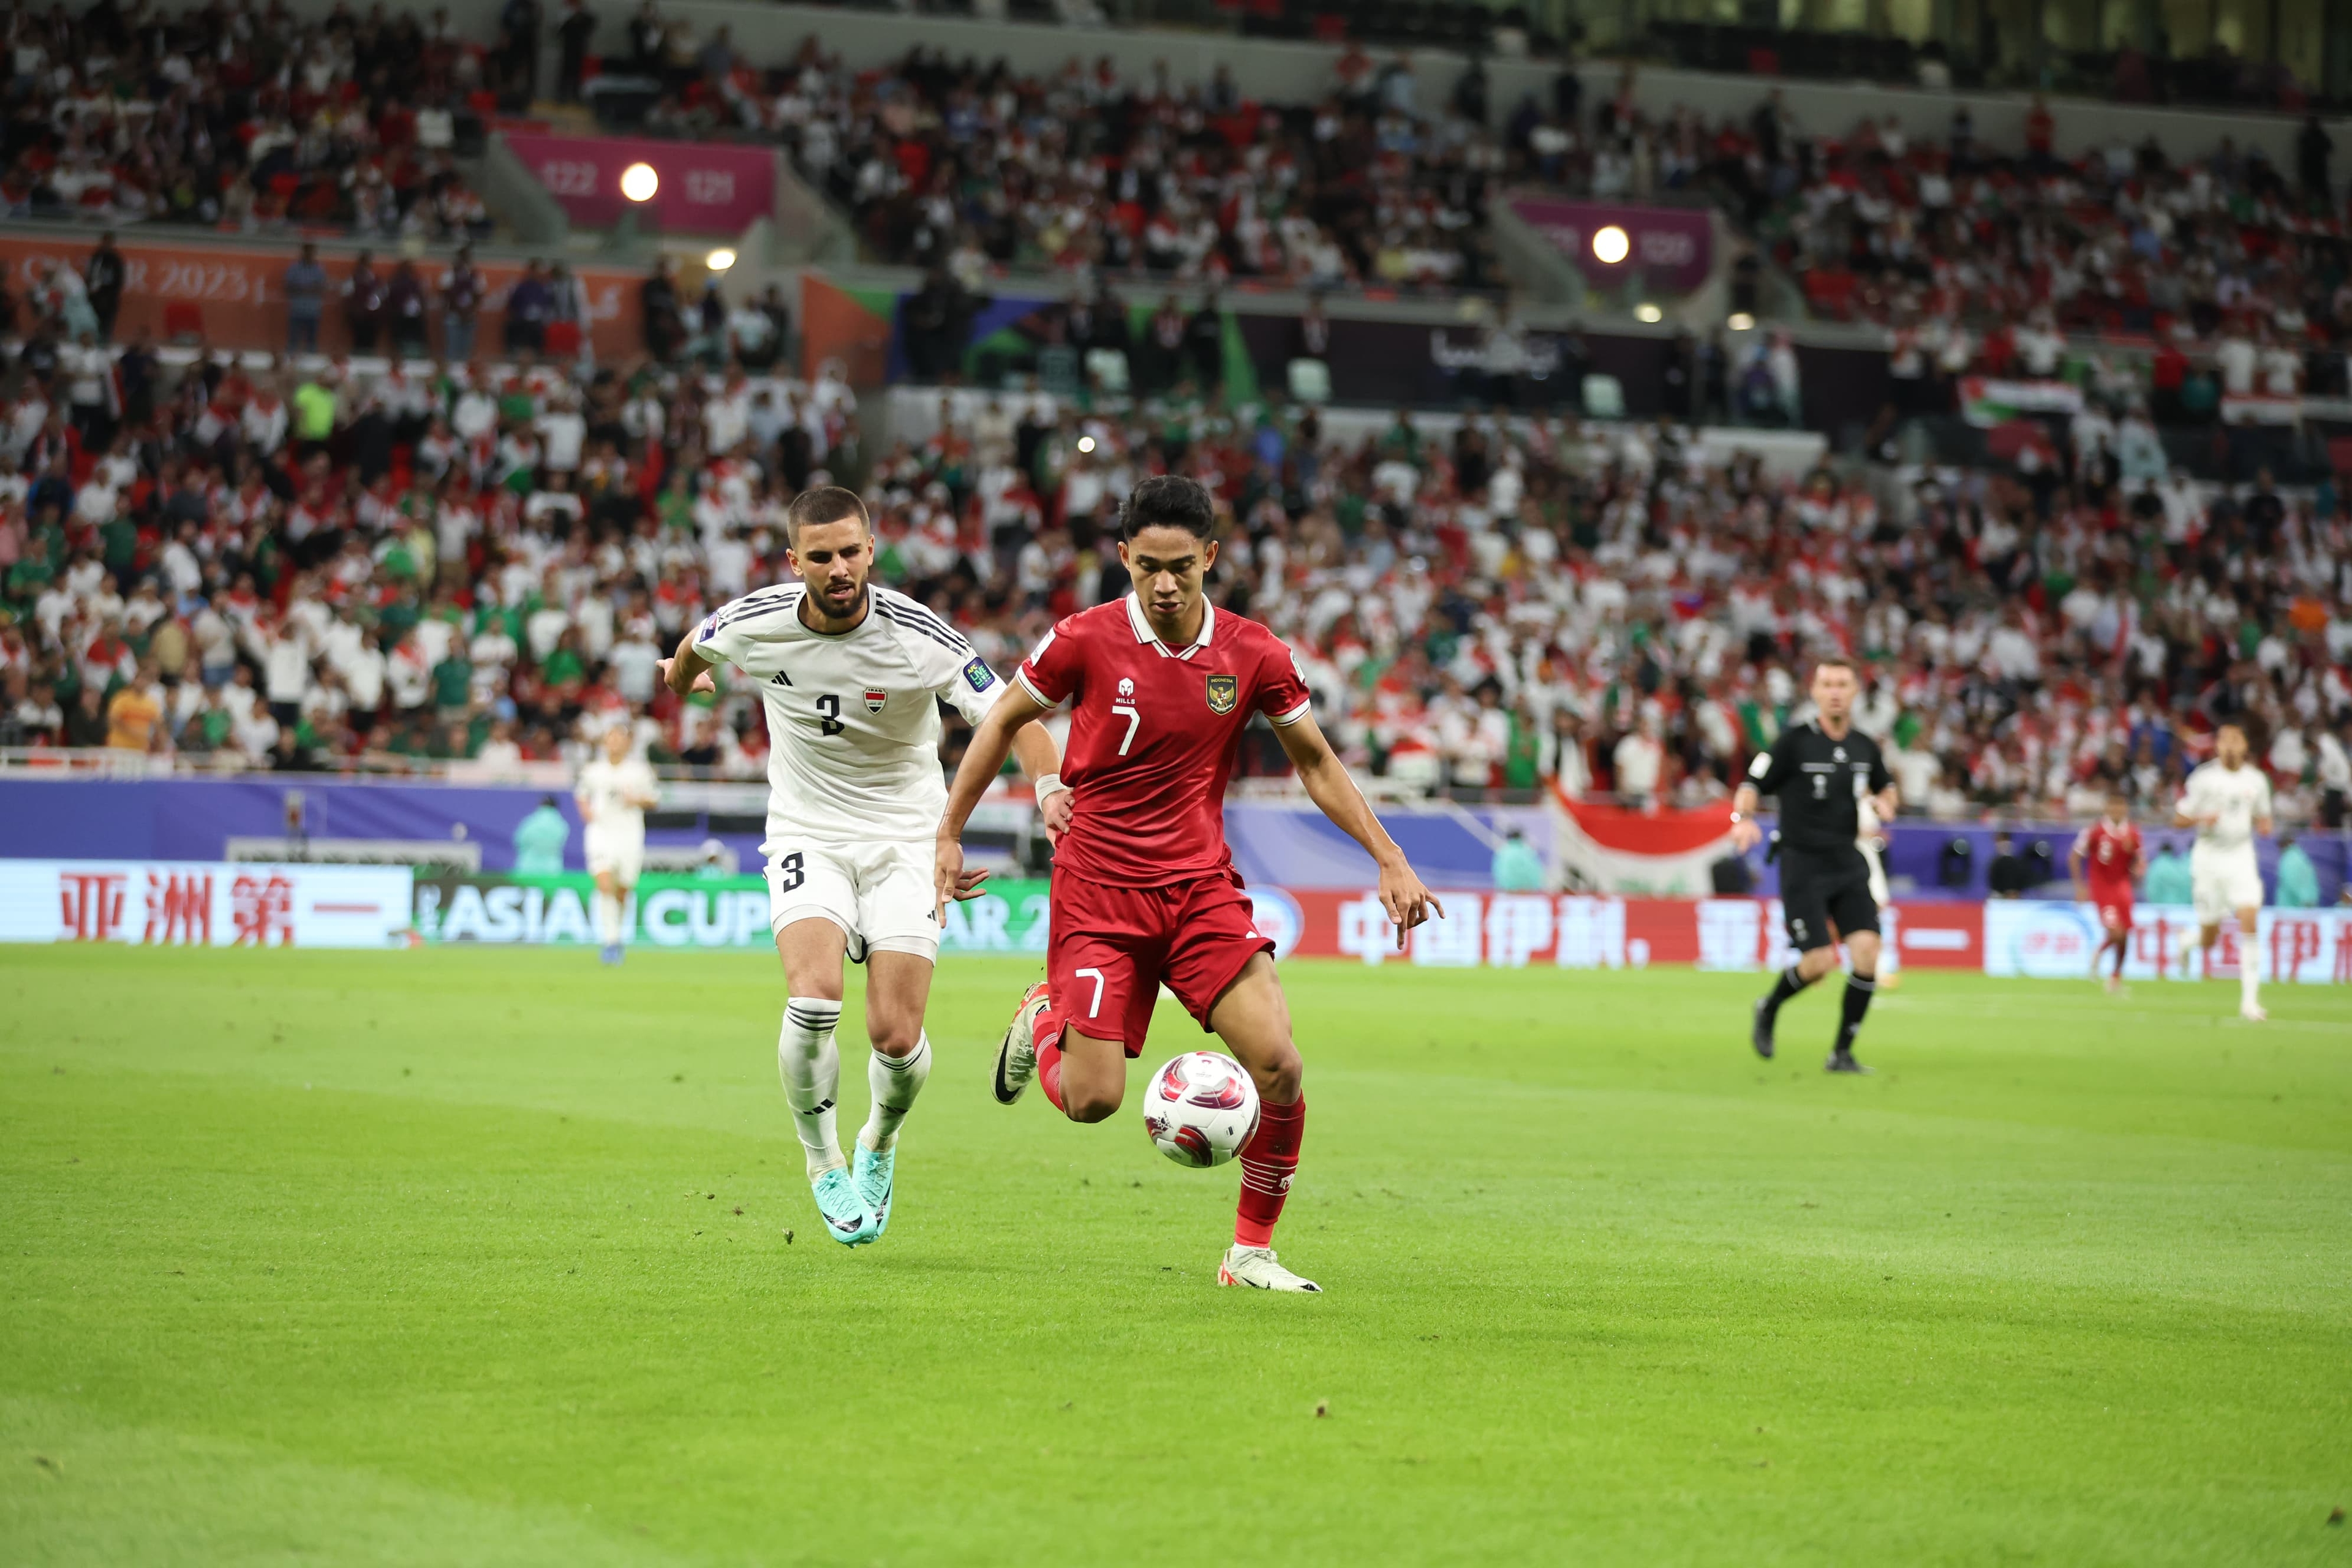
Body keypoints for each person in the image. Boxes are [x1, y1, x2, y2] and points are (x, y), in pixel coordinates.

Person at [937, 475, 1441, 1292]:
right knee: (1093, 1100)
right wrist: (951, 831)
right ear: (1123, 559)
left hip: (1200, 889)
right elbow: (1003, 721)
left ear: (1210, 556)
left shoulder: (1254, 654)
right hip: (1099, 891)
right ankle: (1045, 1015)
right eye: (1148, 568)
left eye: (1181, 567)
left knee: (1279, 1065)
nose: (1165, 585)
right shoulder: (1083, 639)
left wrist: (1389, 856)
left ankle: (1250, 1255)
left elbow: (1316, 761)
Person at [658, 486, 1068, 1250]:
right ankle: (823, 1160)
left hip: (908, 840)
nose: (839, 568)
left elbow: (1015, 716)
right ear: (795, 562)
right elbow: (691, 650)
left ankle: (879, 1138)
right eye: (821, 556)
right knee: (813, 999)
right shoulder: (755, 620)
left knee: (895, 1035)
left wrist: (1048, 788)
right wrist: (687, 680)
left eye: (851, 551)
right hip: (806, 833)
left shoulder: (920, 636)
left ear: (872, 550)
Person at [1730, 656, 1896, 1074]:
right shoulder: (1794, 742)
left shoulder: (1864, 746)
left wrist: (1885, 803)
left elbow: (1887, 787)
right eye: (1827, 684)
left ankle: (1841, 1054)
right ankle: (1769, 1005)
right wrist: (1742, 819)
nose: (1835, 692)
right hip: (1803, 864)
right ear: (1815, 692)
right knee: (1819, 963)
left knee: (1867, 952)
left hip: (1847, 861)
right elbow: (1751, 784)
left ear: (1855, 692)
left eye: (1843, 684)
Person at [2174, 721, 2274, 1022]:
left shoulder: (2257, 780)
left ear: (2245, 745)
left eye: (2235, 739)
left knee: (2249, 917)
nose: (2230, 745)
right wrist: (2201, 819)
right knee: (2210, 938)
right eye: (2224, 740)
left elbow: (2264, 817)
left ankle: (2250, 1003)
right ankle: (2187, 941)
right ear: (2216, 746)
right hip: (2209, 859)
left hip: (2241, 856)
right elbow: (2179, 819)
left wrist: (2264, 826)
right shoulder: (2203, 778)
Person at [575, 723, 658, 965]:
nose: (615, 744)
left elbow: (654, 800)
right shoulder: (593, 771)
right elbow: (581, 794)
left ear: (628, 744)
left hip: (630, 835)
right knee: (604, 884)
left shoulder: (639, 771)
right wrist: (586, 810)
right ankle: (610, 941)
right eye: (611, 738)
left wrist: (637, 800)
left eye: (620, 739)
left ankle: (617, 936)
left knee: (623, 890)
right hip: (601, 832)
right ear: (605, 742)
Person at [2070, 790, 2144, 995]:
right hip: (2102, 887)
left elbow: (2138, 860)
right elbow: (2074, 857)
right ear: (2107, 808)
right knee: (2116, 932)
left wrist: (2139, 869)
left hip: (2123, 887)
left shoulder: (2133, 833)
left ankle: (2115, 978)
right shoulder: (2095, 831)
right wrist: (2080, 886)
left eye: (2121, 806)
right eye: (2114, 806)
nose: (2118, 810)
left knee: (2125, 935)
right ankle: (2099, 953)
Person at [284, 243, 328, 356]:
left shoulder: (319, 269)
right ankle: (290, 358)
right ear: (303, 252)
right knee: (293, 339)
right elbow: (289, 287)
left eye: (311, 252)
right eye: (307, 252)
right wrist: (308, 288)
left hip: (313, 310)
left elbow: (321, 288)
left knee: (312, 341)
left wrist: (303, 288)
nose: (309, 254)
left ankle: (311, 358)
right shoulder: (294, 268)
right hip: (297, 309)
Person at [513, 793, 572, 876]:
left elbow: (519, 840)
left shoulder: (530, 821)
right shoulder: (561, 824)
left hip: (528, 867)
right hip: (551, 869)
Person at [84, 233, 126, 343]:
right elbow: (89, 275)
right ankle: (93, 342)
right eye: (104, 242)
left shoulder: (116, 260)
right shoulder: (96, 257)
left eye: (108, 242)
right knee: (93, 322)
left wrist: (111, 296)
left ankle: (105, 342)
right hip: (95, 297)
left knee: (106, 324)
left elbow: (119, 280)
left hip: (109, 298)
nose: (106, 245)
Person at [1490, 824, 1545, 891]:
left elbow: (1498, 873)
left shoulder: (1503, 852)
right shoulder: (1529, 851)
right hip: (1529, 891)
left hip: (1508, 891)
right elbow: (1538, 872)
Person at [2274, 833, 2320, 909]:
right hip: (2303, 906)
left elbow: (2292, 883)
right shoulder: (2301, 856)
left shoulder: (2289, 860)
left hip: (2292, 908)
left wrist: (2306, 901)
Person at [2144, 839, 2193, 906]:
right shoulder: (2177, 866)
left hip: (2158, 906)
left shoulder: (2154, 865)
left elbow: (2151, 890)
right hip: (2182, 906)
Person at [1986, 832, 2034, 897]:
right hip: (2000, 895)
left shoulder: (2011, 861)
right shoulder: (1997, 861)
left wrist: (2012, 892)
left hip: (2009, 896)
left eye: (1998, 839)